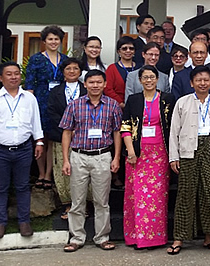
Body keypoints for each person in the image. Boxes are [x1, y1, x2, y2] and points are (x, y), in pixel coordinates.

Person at [0, 62, 45, 239]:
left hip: (23, 149)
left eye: (16, 73)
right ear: (1, 78)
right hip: (0, 150)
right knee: (0, 188)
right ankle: (0, 223)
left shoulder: (29, 98)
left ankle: (24, 222)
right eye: (9, 74)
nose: (14, 77)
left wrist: (39, 142)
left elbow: (36, 122)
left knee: (23, 187)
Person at [167, 66, 210, 255]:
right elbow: (173, 131)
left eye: (206, 80)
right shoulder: (182, 102)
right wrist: (174, 156)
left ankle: (209, 237)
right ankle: (179, 238)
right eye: (198, 80)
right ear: (191, 83)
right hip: (188, 149)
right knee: (185, 193)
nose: (202, 83)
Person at [60, 70, 122, 252]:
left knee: (102, 201)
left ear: (104, 84)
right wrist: (65, 159)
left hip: (102, 156)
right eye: (91, 82)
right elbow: (66, 132)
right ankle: (77, 237)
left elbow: (117, 132)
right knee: (77, 201)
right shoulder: (74, 105)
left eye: (99, 82)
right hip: (79, 156)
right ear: (85, 84)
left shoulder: (112, 106)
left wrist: (116, 157)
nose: (95, 85)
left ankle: (102, 237)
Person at [121, 65, 175, 249]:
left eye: (152, 77)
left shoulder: (167, 99)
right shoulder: (134, 100)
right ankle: (136, 237)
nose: (149, 80)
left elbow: (174, 126)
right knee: (136, 196)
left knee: (156, 197)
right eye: (145, 77)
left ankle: (155, 238)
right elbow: (126, 126)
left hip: (160, 153)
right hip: (137, 153)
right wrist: (131, 151)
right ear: (140, 80)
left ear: (158, 79)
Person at [25, 25, 67, 191]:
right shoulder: (36, 59)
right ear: (44, 41)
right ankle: (40, 173)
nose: (53, 42)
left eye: (56, 39)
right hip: (40, 100)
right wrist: (30, 103)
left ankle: (49, 175)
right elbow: (30, 83)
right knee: (40, 139)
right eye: (50, 39)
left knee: (53, 139)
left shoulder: (64, 59)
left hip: (58, 101)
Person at [47, 58, 87, 220]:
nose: (72, 71)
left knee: (83, 171)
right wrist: (67, 127)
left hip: (84, 136)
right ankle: (68, 204)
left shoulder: (86, 89)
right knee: (64, 170)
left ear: (80, 71)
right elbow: (51, 112)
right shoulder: (55, 91)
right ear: (63, 72)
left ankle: (83, 205)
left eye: (75, 68)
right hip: (61, 135)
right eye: (68, 69)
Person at [105, 36, 137, 107]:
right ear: (118, 51)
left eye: (131, 48)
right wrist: (121, 103)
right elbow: (108, 89)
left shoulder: (140, 68)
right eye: (124, 48)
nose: (128, 51)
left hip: (137, 106)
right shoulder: (112, 68)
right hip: (117, 106)